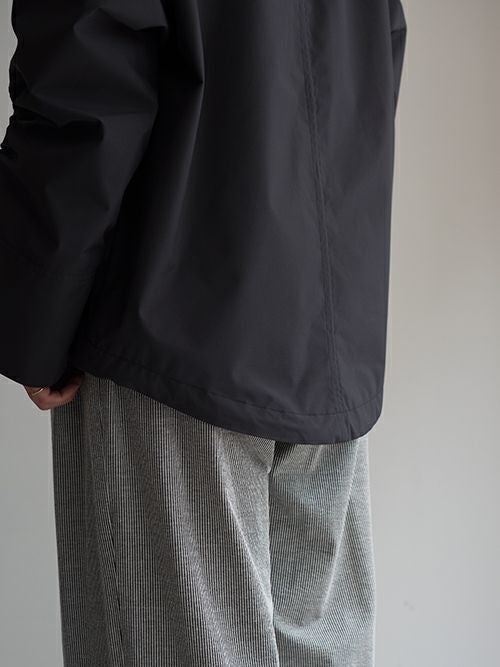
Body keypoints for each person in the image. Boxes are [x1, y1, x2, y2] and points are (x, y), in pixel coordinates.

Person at [0, 0, 407, 664]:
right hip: (325, 339)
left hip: (169, 337)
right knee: (322, 649)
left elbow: (82, 98)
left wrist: (35, 327)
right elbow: (377, 57)